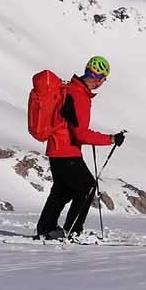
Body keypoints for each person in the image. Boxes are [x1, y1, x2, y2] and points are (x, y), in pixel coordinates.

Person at [35, 56, 125, 240]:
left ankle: (46, 228)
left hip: (56, 148)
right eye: (104, 79)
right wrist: (111, 139)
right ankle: (73, 231)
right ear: (100, 79)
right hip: (67, 150)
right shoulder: (79, 95)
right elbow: (81, 134)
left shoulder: (69, 89)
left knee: (63, 190)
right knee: (87, 187)